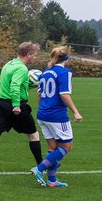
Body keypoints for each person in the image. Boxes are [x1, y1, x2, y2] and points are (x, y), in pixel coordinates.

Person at [0, 42, 43, 173]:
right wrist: (16, 105)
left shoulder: (8, 64)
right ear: (28, 54)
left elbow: (9, 83)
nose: (35, 58)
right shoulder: (22, 69)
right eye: (35, 55)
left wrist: (26, 87)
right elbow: (14, 86)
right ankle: (42, 167)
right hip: (16, 106)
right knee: (33, 135)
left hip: (2, 104)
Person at [32, 45, 83, 188]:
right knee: (66, 146)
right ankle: (39, 169)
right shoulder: (65, 72)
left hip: (43, 114)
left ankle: (52, 180)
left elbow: (39, 94)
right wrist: (75, 112)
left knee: (52, 147)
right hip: (57, 116)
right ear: (67, 58)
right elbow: (64, 94)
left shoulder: (46, 72)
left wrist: (43, 108)